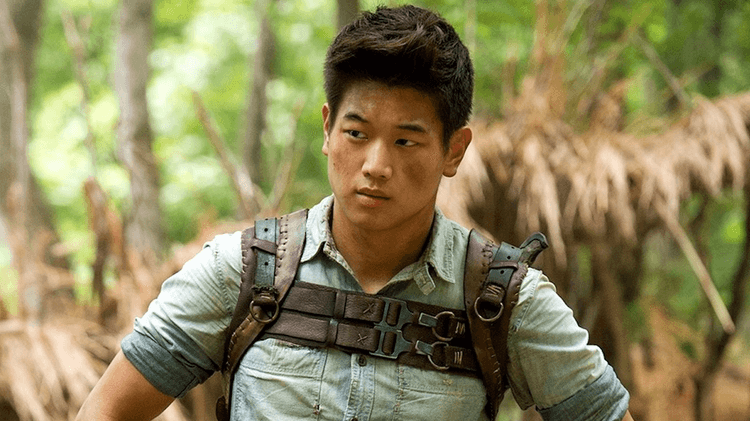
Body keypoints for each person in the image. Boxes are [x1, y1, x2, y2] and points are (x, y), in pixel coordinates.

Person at [77, 5, 634, 421]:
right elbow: (104, 413)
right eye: (357, 133)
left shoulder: (503, 301)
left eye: (407, 141)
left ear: (454, 151)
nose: (374, 165)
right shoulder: (241, 272)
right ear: (327, 130)